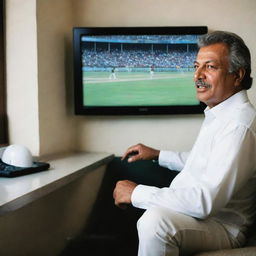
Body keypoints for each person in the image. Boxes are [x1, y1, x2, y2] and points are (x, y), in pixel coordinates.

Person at [113, 31, 256, 256]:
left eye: (210, 67)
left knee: (156, 221)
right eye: (196, 66)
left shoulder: (238, 125)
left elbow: (205, 201)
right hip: (204, 218)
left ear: (237, 75)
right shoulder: (221, 113)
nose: (197, 75)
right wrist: (158, 154)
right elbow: (204, 162)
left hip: (223, 226)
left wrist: (136, 193)